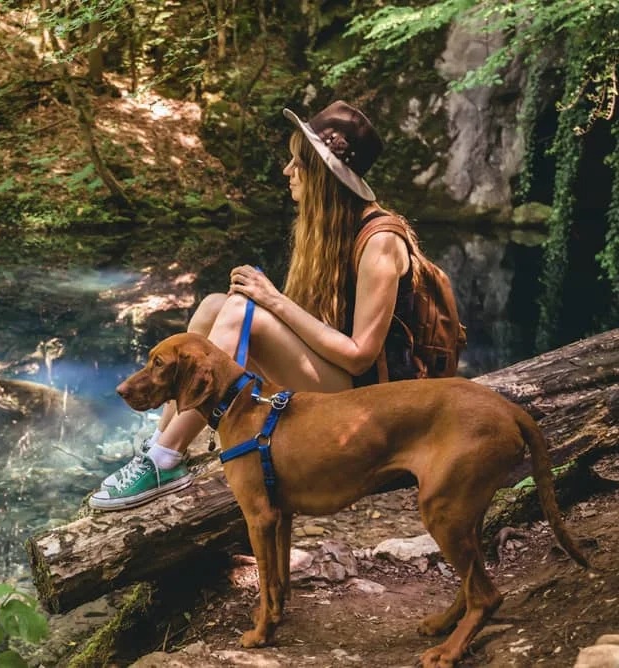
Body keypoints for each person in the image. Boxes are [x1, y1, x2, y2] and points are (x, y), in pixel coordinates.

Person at [90, 100, 415, 510]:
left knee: (246, 312)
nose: (286, 170)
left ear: (322, 175)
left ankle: (164, 458)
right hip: (339, 380)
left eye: (296, 161)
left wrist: (272, 300)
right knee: (213, 305)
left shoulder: (381, 241)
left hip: (373, 402)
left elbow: (359, 356)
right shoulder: (333, 229)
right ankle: (162, 442)